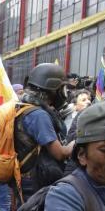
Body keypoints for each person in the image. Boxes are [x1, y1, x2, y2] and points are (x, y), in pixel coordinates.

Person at [15, 63, 75, 203]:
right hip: (36, 179)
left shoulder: (23, 107)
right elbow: (58, 153)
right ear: (53, 90)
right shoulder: (38, 115)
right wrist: (74, 144)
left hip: (25, 175)